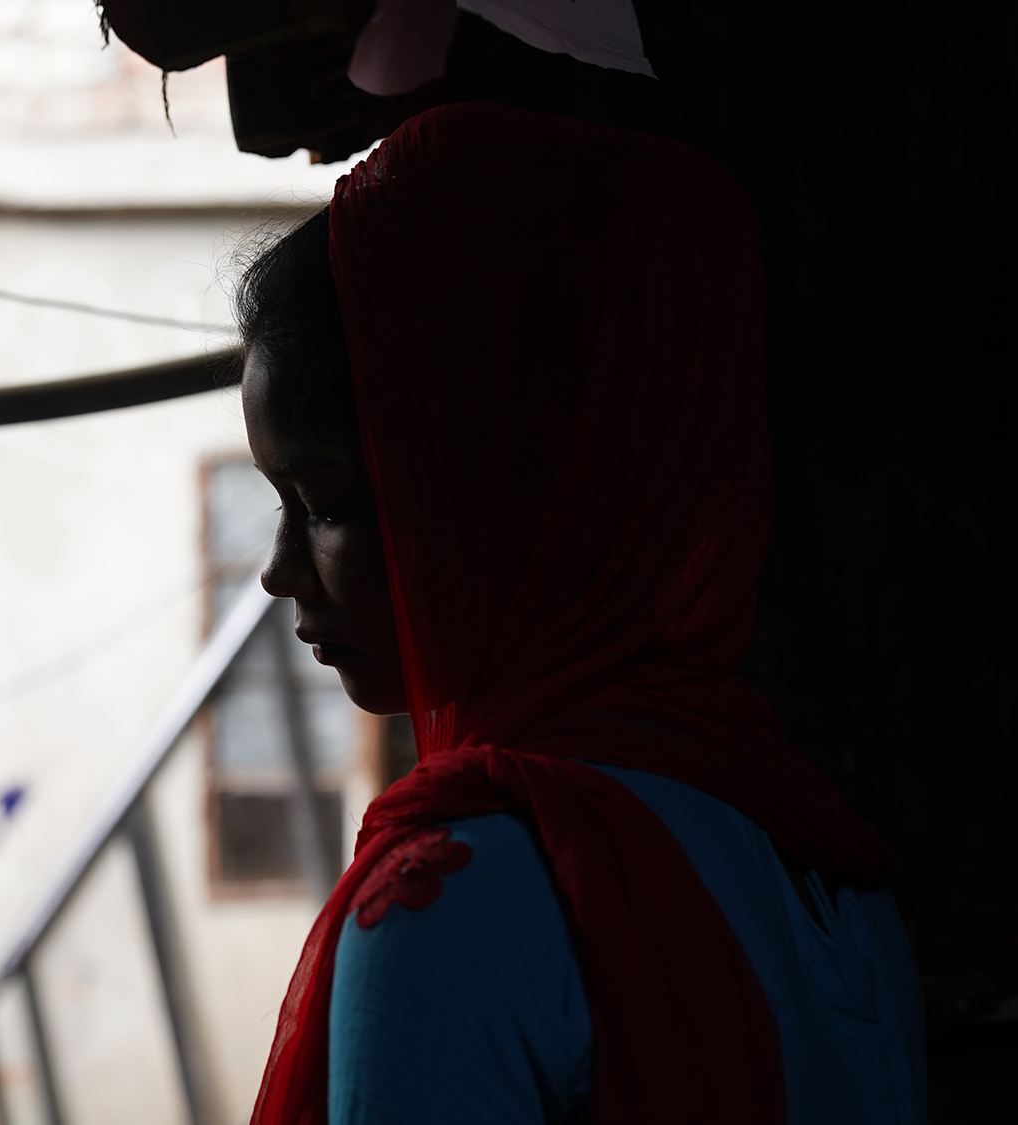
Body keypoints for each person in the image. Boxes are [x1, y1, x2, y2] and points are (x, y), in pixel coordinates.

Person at [237, 103, 925, 1125]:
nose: (276, 572)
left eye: (328, 501)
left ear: (499, 496)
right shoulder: (826, 873)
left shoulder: (453, 903)